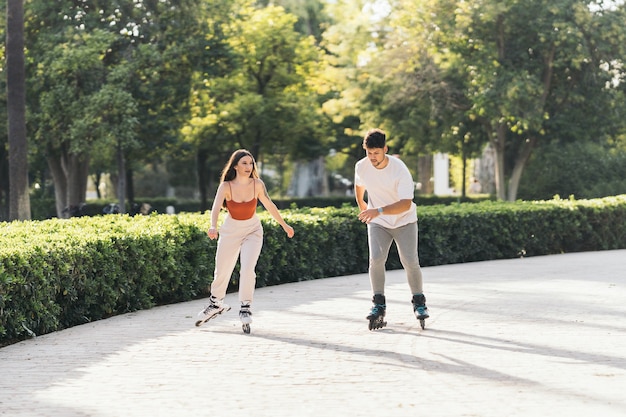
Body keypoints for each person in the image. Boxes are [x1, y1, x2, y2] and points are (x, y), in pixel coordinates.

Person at [196, 149, 295, 330]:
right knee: (222, 269)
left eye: (251, 163)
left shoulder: (257, 184)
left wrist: (284, 225)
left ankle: (245, 307)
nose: (248, 167)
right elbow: (216, 208)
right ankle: (216, 303)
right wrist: (213, 226)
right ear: (235, 166)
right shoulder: (226, 186)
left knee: (248, 269)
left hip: (253, 230)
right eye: (244, 163)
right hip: (230, 230)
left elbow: (269, 205)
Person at [354, 128, 429, 330]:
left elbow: (405, 203)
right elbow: (359, 186)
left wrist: (377, 210)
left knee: (410, 260)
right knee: (376, 259)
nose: (372, 158)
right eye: (369, 153)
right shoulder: (362, 166)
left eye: (376, 153)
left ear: (385, 149)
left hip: (404, 220)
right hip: (379, 222)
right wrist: (363, 206)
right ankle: (378, 304)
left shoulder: (399, 169)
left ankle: (419, 302)